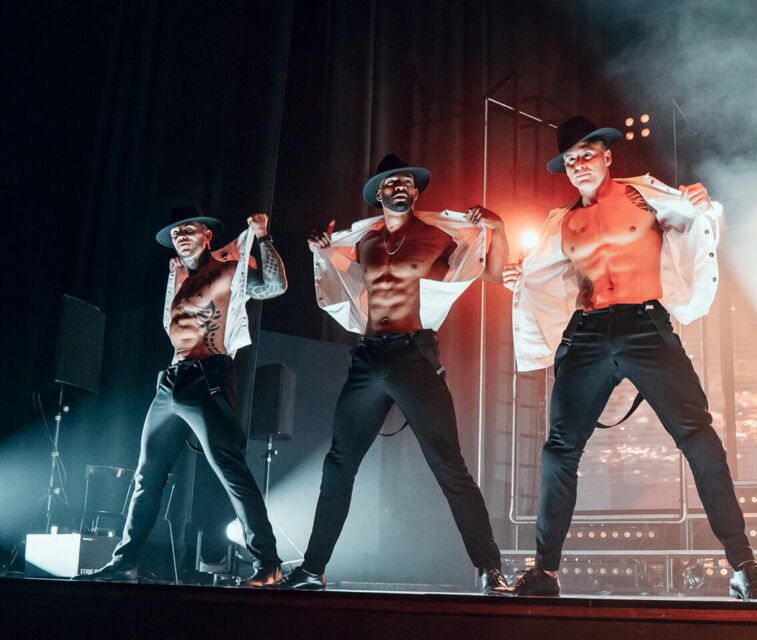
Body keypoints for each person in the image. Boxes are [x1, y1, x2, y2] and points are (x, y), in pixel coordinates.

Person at [504, 117, 757, 602]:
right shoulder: (562, 223)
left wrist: (700, 204)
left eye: (587, 154)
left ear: (607, 156)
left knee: (699, 438)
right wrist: (518, 279)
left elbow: (694, 224)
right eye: (570, 160)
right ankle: (545, 573)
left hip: (644, 325)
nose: (579, 165)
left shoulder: (645, 197)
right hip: (588, 332)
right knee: (559, 450)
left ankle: (744, 567)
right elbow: (542, 276)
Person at [276, 154, 512, 594]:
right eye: (390, 183)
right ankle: (312, 569)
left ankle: (490, 568)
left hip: (413, 354)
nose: (398, 187)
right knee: (339, 464)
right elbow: (335, 271)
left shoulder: (437, 236)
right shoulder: (365, 243)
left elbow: (493, 274)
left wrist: (497, 228)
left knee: (448, 464)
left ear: (416, 191)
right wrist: (320, 249)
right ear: (378, 194)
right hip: (368, 356)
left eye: (405, 181)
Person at [75, 206, 288, 587]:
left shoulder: (227, 272)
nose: (182, 237)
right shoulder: (177, 278)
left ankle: (268, 563)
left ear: (208, 235)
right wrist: (178, 271)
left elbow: (274, 287)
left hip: (208, 377)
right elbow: (172, 326)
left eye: (189, 230)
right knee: (147, 474)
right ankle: (125, 563)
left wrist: (263, 237)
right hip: (171, 381)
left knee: (231, 471)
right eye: (176, 234)